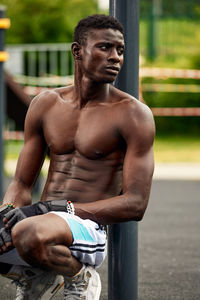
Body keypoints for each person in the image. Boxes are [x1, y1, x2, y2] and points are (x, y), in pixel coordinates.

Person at [0, 14, 155, 300]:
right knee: (11, 228)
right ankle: (39, 276)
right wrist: (7, 211)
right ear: (77, 51)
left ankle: (80, 277)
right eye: (105, 47)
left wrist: (57, 209)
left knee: (27, 232)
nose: (115, 57)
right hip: (41, 223)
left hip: (87, 228)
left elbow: (136, 204)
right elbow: (22, 182)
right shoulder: (46, 104)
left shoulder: (133, 114)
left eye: (120, 50)